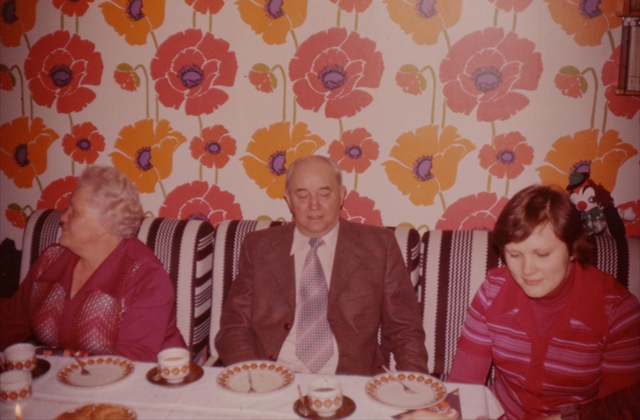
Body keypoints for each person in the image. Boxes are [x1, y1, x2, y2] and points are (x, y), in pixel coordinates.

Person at [215, 155, 428, 376]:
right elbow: (234, 328)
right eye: (302, 195)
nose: (314, 205)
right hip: (273, 377)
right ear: (288, 199)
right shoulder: (259, 247)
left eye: (324, 194)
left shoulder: (379, 246)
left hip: (350, 381)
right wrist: (255, 376)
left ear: (342, 195)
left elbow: (405, 330)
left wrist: (415, 383)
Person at [448, 184, 640, 420]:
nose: (527, 270)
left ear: (572, 248)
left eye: (542, 255)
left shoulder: (617, 310)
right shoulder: (491, 292)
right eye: (514, 255)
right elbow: (464, 387)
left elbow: (617, 409)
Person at [0, 166, 185, 362]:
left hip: (150, 376)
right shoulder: (50, 260)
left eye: (74, 212)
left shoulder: (145, 277)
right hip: (63, 376)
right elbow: (9, 327)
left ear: (104, 225)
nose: (62, 217)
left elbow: (132, 363)